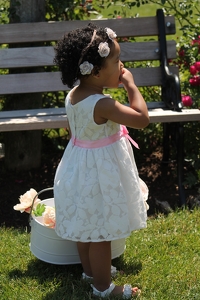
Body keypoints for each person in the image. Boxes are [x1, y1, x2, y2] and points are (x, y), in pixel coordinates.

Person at [53, 23, 149, 298]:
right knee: (102, 231)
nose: (121, 66)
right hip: (98, 174)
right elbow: (141, 119)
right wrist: (130, 84)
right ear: (95, 71)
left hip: (77, 168)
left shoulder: (73, 95)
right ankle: (104, 288)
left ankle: (90, 272)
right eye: (117, 61)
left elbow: (73, 129)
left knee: (87, 226)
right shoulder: (102, 104)